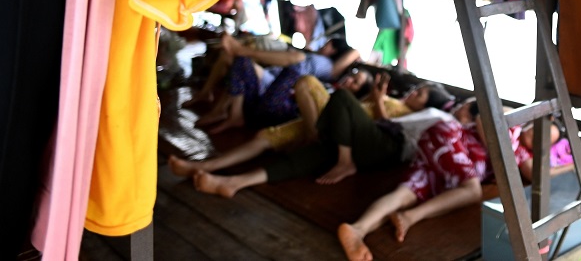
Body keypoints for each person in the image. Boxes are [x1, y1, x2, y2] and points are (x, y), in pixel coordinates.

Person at [169, 72, 455, 198]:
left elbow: (387, 130)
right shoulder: (393, 102)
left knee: (333, 100)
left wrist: (378, 101)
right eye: (417, 89)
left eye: (422, 94)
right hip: (338, 130)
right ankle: (221, 177)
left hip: (350, 138)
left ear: (428, 105)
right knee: (288, 150)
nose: (414, 93)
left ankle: (229, 180)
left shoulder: (414, 117)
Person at [336, 97, 537, 261]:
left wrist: (569, 163)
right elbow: (483, 118)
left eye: (543, 142)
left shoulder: (520, 153)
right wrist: (500, 153)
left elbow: (537, 175)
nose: (535, 140)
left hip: (447, 166)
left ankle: (356, 230)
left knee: (404, 194)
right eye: (538, 132)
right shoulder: (515, 120)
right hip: (450, 138)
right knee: (473, 190)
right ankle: (409, 217)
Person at [194, 31, 360, 133]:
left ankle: (240, 49)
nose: (324, 45)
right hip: (264, 92)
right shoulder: (316, 57)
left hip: (278, 100)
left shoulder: (330, 68)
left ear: (334, 50)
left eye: (328, 44)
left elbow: (356, 51)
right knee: (239, 59)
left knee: (298, 59)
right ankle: (232, 114)